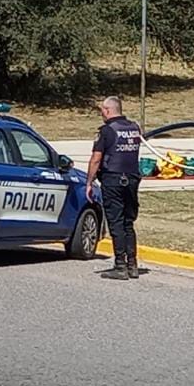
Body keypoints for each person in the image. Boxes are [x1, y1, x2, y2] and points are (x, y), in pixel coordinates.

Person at [85, 96, 143, 280]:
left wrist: (89, 182)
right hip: (132, 180)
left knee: (116, 222)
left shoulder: (107, 131)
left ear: (108, 110)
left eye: (102, 109)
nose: (101, 113)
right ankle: (132, 265)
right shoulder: (134, 128)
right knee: (128, 222)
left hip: (113, 180)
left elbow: (96, 158)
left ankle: (120, 266)